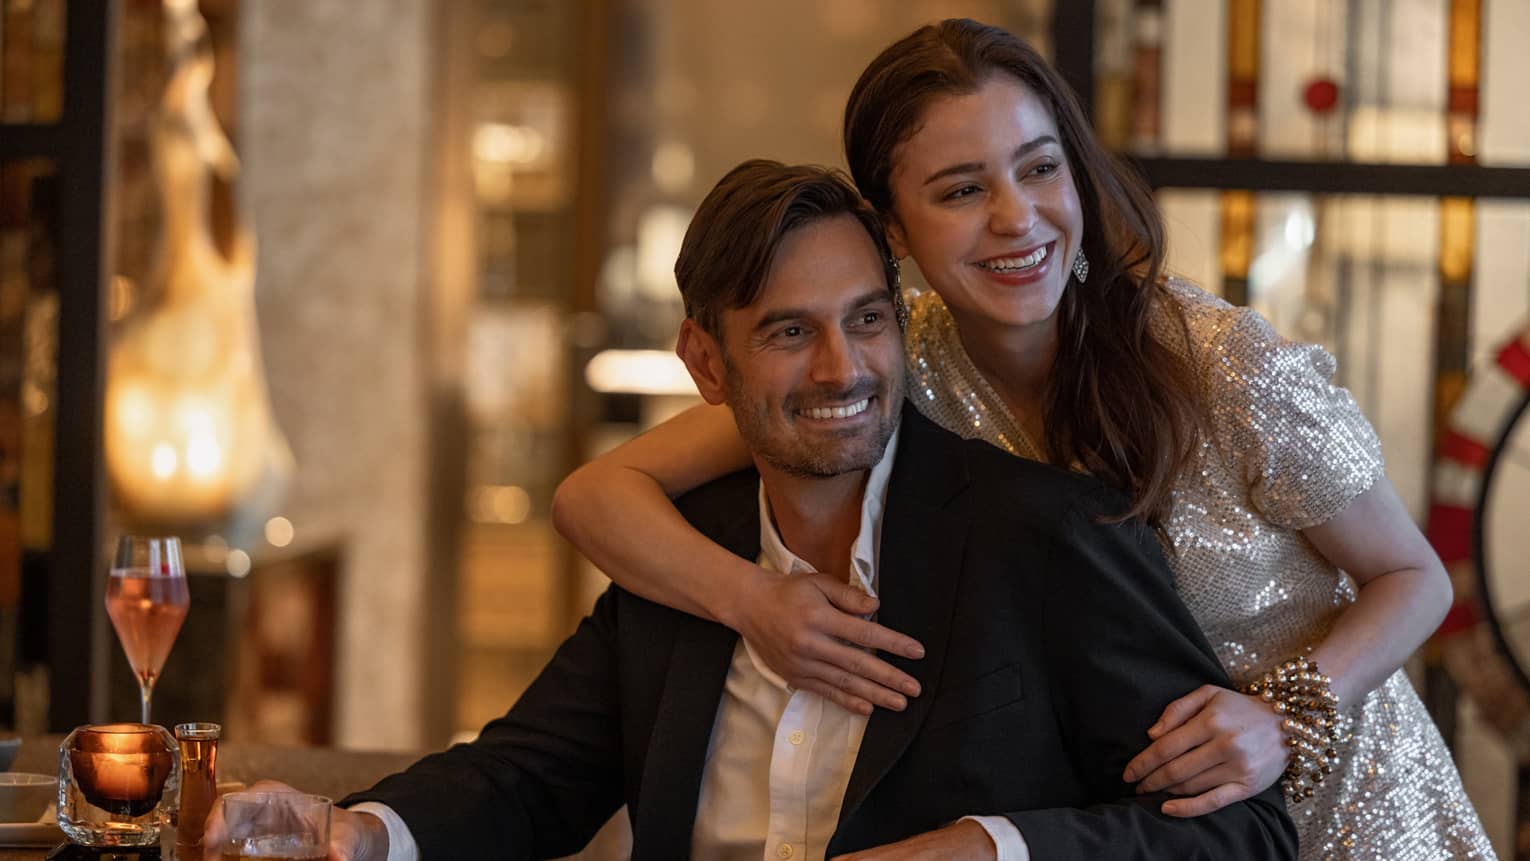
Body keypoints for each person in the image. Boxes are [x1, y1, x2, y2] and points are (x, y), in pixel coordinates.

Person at [551, 19, 1494, 860]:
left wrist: (1281, 718)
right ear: (894, 231)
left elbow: (1417, 579)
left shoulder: (1220, 363)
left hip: (1352, 808)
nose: (1017, 218)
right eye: (962, 190)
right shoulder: (890, 364)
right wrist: (756, 603)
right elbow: (595, 496)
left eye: (1040, 168)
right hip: (1153, 825)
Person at [206, 161, 1296, 861]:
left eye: (867, 321)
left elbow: (1243, 834)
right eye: (788, 332)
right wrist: (354, 831)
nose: (844, 367)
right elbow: (527, 775)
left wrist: (984, 848)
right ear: (705, 362)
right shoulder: (686, 563)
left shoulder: (1047, 535)